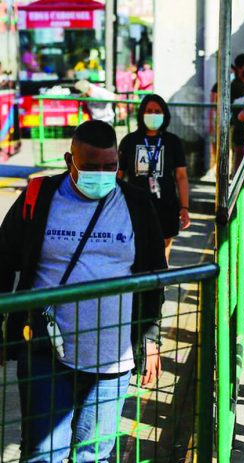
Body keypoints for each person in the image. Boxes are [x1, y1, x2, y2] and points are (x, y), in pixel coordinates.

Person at [0, 120, 166, 462]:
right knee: (43, 452)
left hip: (113, 358)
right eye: (91, 167)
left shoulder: (135, 204)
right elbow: (2, 260)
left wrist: (151, 339)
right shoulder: (40, 197)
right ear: (69, 161)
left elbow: (153, 276)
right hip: (46, 351)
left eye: (110, 167)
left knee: (94, 455)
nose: (102, 175)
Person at [118, 94, 191, 261]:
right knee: (138, 250)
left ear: (165, 115)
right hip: (136, 205)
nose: (153, 114)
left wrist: (185, 207)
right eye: (149, 110)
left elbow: (181, 176)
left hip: (166, 204)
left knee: (163, 251)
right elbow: (119, 176)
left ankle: (160, 285)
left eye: (157, 111)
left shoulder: (173, 142)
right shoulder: (129, 141)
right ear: (141, 113)